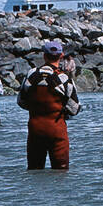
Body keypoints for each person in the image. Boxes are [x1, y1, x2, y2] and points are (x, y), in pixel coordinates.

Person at [18, 40, 80, 170]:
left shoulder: (31, 74)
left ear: (44, 56)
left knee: (34, 171)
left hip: (35, 130)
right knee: (60, 172)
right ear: (61, 55)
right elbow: (74, 109)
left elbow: (21, 101)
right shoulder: (65, 79)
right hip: (57, 131)